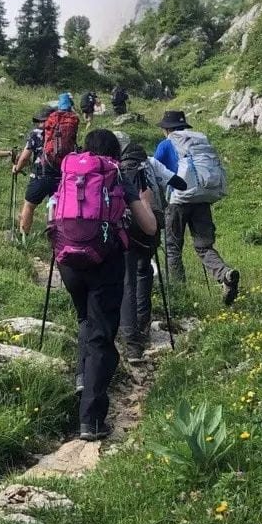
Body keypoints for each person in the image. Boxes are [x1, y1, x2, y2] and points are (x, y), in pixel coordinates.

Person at [51, 132, 157, 440]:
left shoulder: (70, 172)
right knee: (101, 337)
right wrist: (145, 203)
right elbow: (149, 226)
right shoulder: (116, 175)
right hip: (103, 261)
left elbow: (53, 213)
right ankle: (91, 420)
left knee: (85, 319)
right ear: (114, 152)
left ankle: (83, 377)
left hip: (68, 259)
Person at [153, 109, 240, 305]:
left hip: (178, 201)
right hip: (202, 199)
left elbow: (154, 171)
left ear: (167, 129)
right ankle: (224, 274)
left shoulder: (167, 144)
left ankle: (179, 293)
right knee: (204, 246)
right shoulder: (199, 141)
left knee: (173, 248)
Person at [116, 135, 186, 360]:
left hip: (124, 222)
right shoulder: (151, 163)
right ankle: (143, 324)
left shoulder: (117, 167)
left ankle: (130, 339)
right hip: (151, 223)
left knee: (127, 278)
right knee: (144, 270)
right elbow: (179, 182)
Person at [13, 106, 57, 239]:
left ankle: (23, 237)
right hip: (60, 176)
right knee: (55, 204)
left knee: (29, 205)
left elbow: (26, 156)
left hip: (40, 175)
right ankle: (56, 237)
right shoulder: (62, 132)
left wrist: (17, 168)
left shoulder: (36, 133)